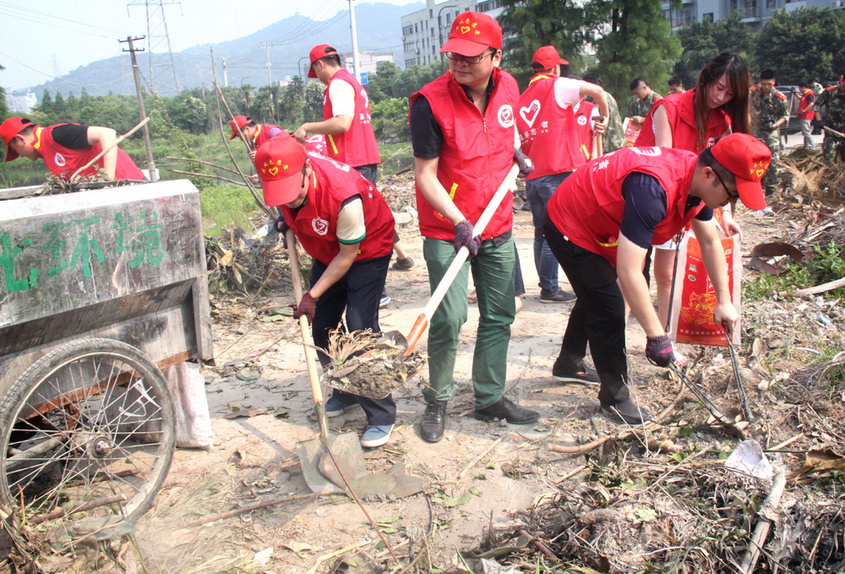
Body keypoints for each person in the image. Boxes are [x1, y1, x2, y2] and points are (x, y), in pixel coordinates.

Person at [544, 133, 770, 424]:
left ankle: (569, 362)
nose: (731, 202)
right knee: (610, 304)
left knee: (597, 295)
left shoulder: (696, 184)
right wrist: (656, 336)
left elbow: (711, 242)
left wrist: (724, 301)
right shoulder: (652, 189)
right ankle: (615, 399)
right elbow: (629, 272)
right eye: (732, 194)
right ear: (709, 173)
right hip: (571, 222)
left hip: (607, 223)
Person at [409, 10, 539, 443]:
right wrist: (459, 220)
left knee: (500, 313)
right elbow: (425, 175)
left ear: (496, 57)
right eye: (454, 56)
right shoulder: (430, 102)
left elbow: (507, 133)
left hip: (498, 221)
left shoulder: (511, 88)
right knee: (448, 316)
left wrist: (516, 154)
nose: (460, 63)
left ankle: (488, 398)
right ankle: (438, 399)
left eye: (471, 56)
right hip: (449, 227)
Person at [255, 134, 397, 448]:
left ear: (307, 170)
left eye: (294, 192)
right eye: (281, 194)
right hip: (327, 250)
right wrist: (286, 218)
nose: (289, 198)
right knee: (322, 325)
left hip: (367, 250)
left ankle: (381, 414)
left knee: (360, 329)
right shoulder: (284, 176)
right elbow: (288, 203)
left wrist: (311, 295)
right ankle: (346, 389)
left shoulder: (343, 196)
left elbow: (348, 256)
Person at [635, 51, 749, 328]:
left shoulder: (723, 121)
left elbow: (722, 174)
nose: (721, 98)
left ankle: (664, 338)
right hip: (651, 193)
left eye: (729, 94)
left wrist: (726, 212)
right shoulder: (669, 107)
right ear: (706, 78)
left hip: (688, 195)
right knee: (632, 269)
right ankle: (619, 345)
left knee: (668, 273)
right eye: (719, 88)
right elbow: (664, 164)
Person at [295, 45, 413, 299]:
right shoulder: (351, 83)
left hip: (353, 163)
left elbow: (342, 122)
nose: (319, 77)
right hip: (361, 159)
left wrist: (308, 127)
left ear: (320, 65)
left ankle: (374, 290)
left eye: (317, 71)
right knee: (370, 219)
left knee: (361, 227)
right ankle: (394, 266)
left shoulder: (337, 84)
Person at [516, 45, 609, 305]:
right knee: (556, 234)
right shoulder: (556, 85)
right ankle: (550, 288)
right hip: (557, 175)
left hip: (533, 177)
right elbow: (597, 91)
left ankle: (547, 285)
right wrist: (606, 114)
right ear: (555, 68)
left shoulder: (523, 98)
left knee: (540, 234)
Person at [0, 116, 144, 180]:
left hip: (131, 188)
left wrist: (108, 179)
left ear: (20, 139)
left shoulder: (57, 134)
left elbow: (107, 133)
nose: (20, 156)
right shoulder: (46, 152)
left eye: (15, 150)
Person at [751, 70, 789, 196]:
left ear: (774, 83)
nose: (767, 87)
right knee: (755, 160)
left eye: (769, 84)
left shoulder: (779, 97)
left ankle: (771, 187)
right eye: (764, 84)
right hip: (756, 130)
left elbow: (785, 116)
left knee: (772, 160)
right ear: (760, 82)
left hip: (771, 131)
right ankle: (756, 186)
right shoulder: (753, 92)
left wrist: (775, 125)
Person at [583, 73, 625, 153]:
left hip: (609, 143)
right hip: (617, 141)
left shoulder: (599, 100)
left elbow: (597, 121)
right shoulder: (607, 96)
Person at [816, 73, 845, 165]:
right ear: (842, 82)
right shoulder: (829, 92)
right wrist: (819, 120)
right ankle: (827, 173)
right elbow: (816, 106)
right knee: (828, 153)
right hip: (831, 129)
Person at [797, 81, 816, 150]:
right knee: (805, 132)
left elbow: (811, 104)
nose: (799, 90)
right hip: (803, 116)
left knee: (806, 132)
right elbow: (801, 99)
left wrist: (804, 110)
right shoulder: (805, 94)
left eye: (800, 88)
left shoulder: (809, 94)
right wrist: (795, 94)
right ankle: (806, 146)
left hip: (806, 116)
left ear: (804, 88)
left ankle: (812, 145)